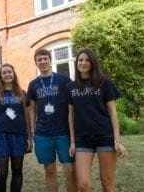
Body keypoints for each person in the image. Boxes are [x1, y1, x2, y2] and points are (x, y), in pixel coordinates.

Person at [67, 48, 128, 192]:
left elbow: (112, 112)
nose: (83, 63)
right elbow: (70, 115)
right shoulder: (70, 86)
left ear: (93, 63)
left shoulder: (104, 83)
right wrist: (73, 142)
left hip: (104, 135)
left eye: (87, 60)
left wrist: (117, 140)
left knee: (107, 183)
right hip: (82, 138)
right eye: (80, 60)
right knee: (83, 185)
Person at [27, 49, 77, 192]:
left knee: (70, 170)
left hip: (64, 132)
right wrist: (32, 130)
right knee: (49, 170)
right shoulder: (33, 84)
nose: (43, 62)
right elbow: (32, 108)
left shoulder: (64, 80)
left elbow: (72, 105)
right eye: (39, 60)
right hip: (43, 133)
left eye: (45, 59)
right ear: (36, 63)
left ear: (50, 60)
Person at [0, 63, 32, 192]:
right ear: (0, 76)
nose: (7, 74)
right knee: (2, 172)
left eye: (9, 72)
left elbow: (26, 117)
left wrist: (29, 138)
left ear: (13, 74)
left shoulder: (22, 93)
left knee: (17, 171)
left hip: (19, 135)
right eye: (4, 73)